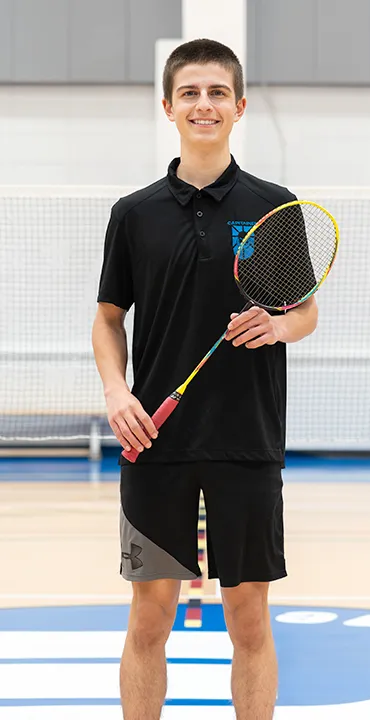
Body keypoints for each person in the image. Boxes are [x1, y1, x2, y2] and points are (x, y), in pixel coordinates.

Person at [92, 38, 318, 720]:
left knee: (247, 617)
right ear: (168, 106)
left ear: (239, 106)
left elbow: (304, 312)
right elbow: (107, 319)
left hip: (245, 439)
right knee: (149, 618)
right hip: (154, 444)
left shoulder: (273, 208)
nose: (204, 104)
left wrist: (279, 327)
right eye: (190, 92)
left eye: (217, 92)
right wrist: (116, 390)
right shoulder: (135, 214)